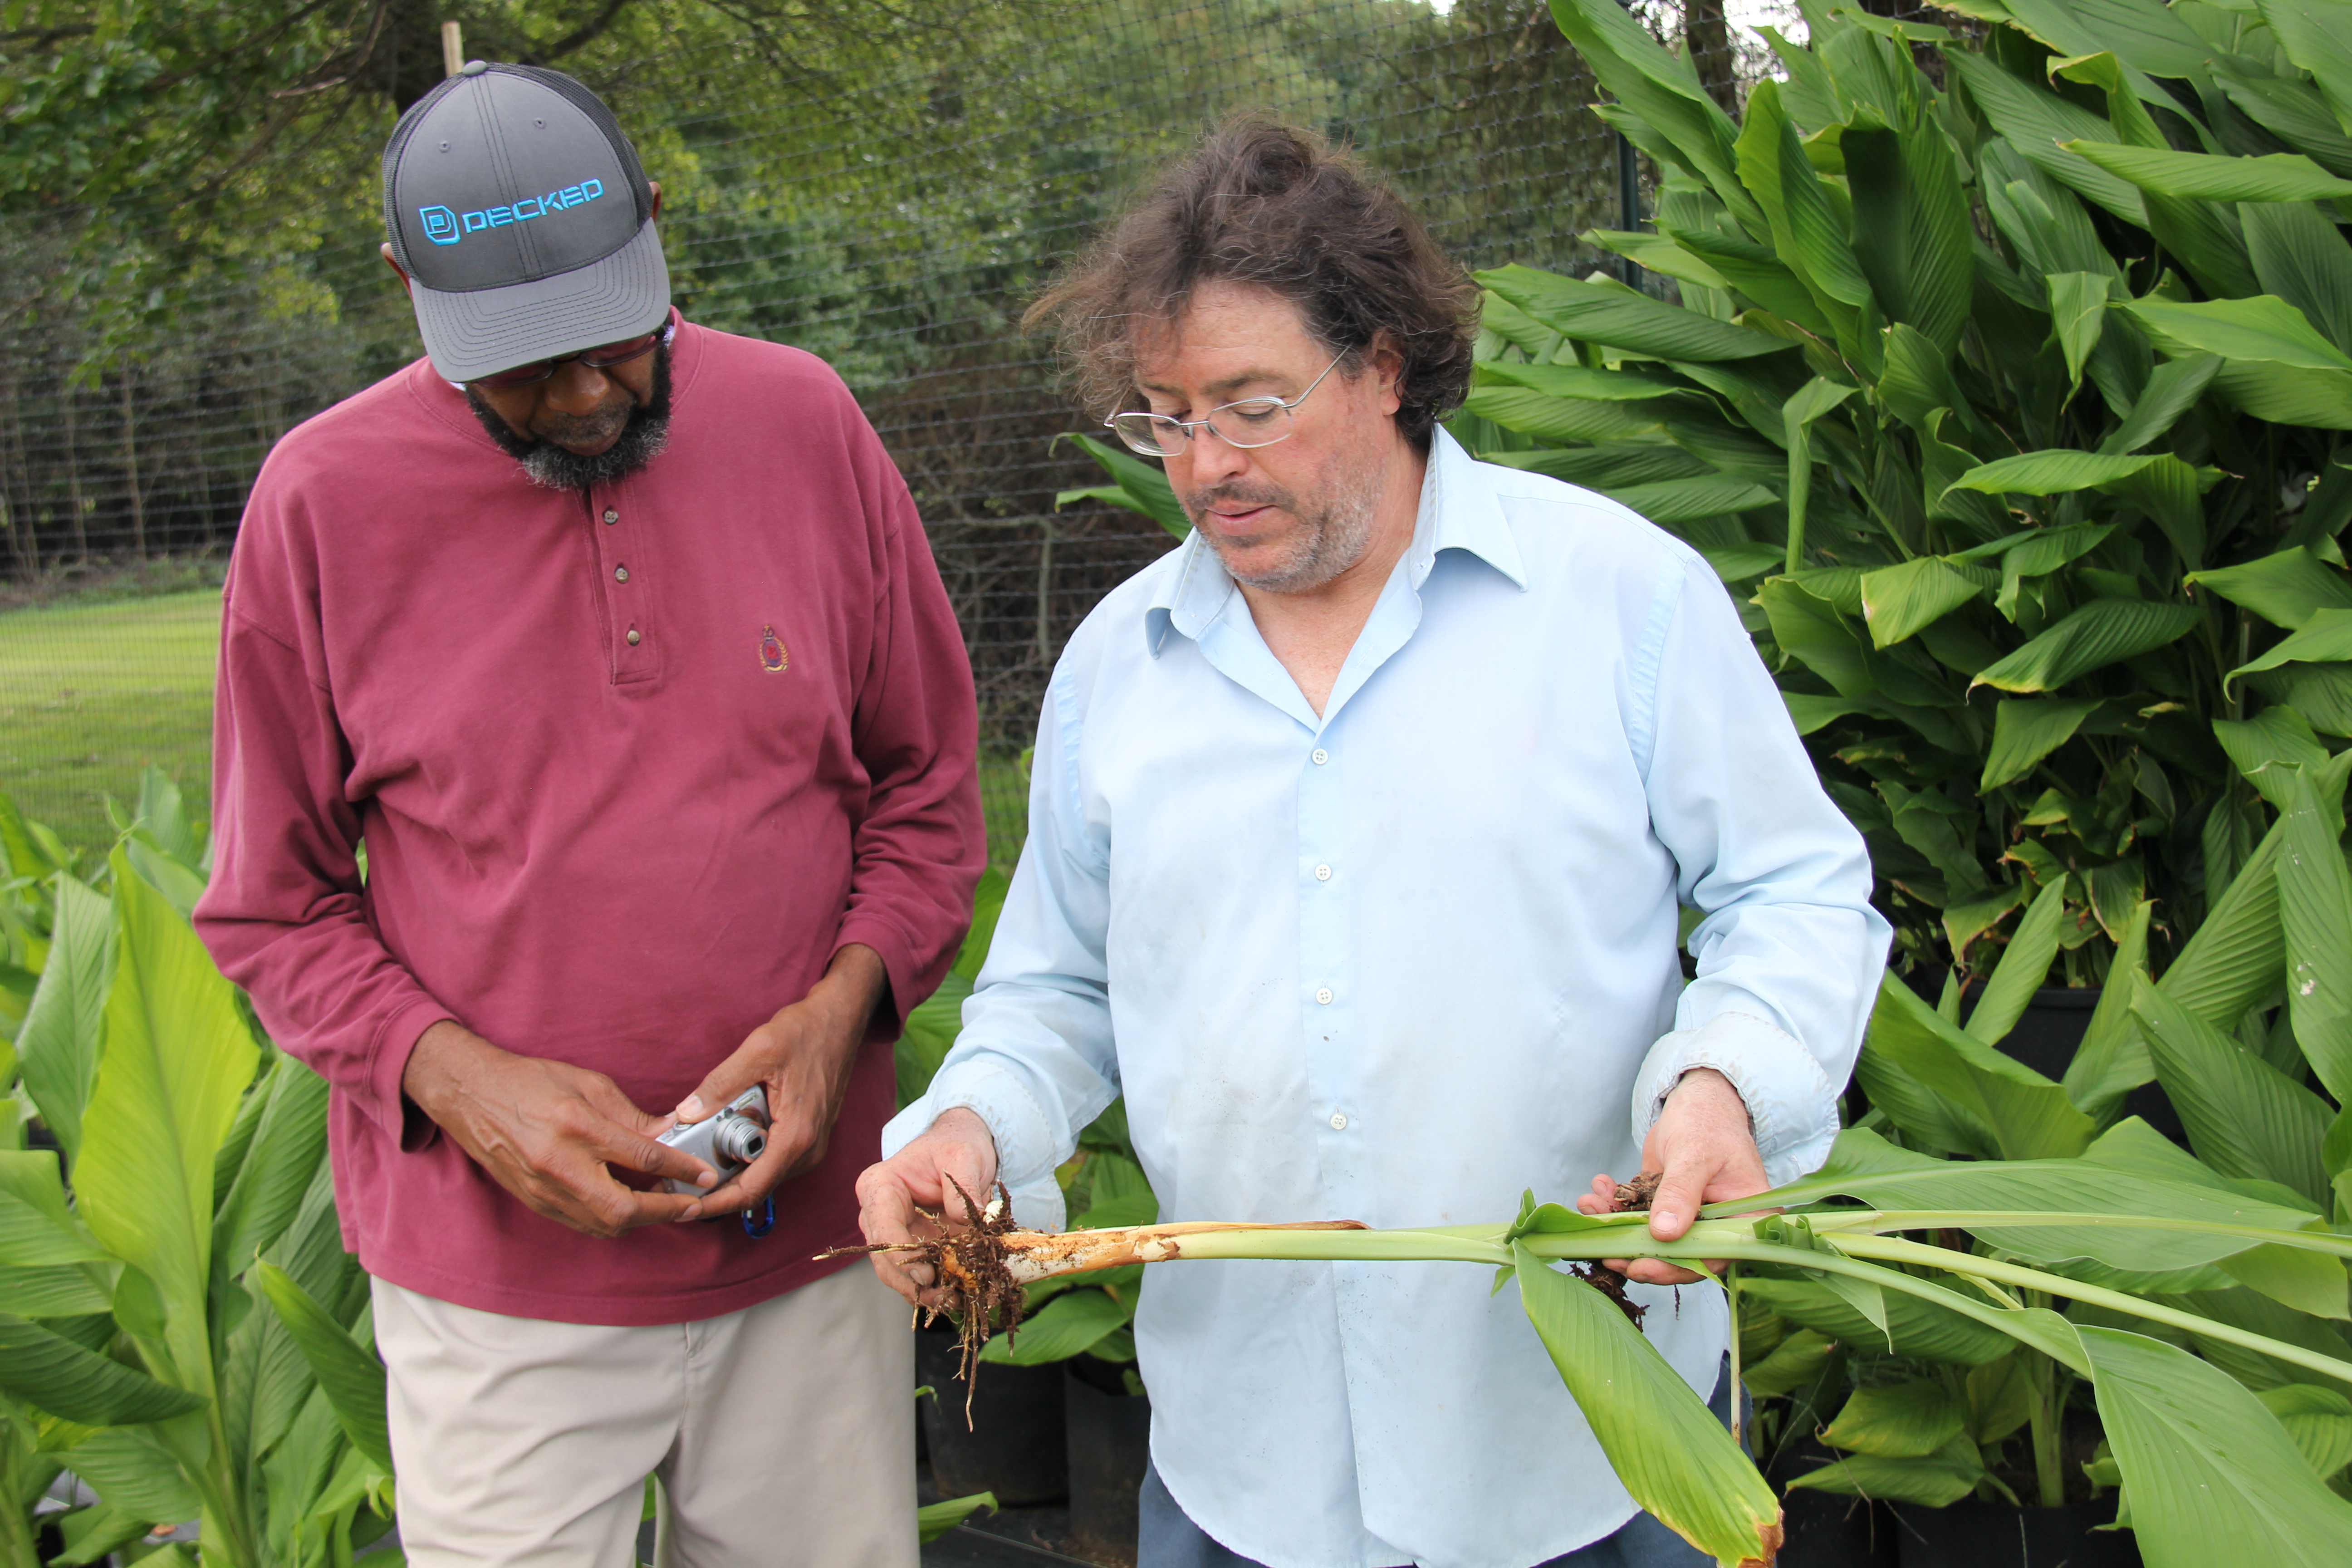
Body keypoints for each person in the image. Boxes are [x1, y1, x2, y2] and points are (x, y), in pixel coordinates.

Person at [856, 119, 1888, 1568]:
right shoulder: (1119, 669)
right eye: (1164, 415)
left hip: (1591, 1439)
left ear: (1387, 365)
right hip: (1241, 1462)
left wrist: (1725, 1087)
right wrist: (969, 1134)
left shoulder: (1619, 602)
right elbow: (1053, 993)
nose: (1204, 463)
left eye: (1253, 405)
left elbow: (1793, 886)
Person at [193, 60, 983, 1568]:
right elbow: (271, 903)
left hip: (810, 1252)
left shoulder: (806, 424)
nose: (579, 395)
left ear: (657, 228)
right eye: (519, 364)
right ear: (403, 290)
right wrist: (451, 1075)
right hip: (499, 1298)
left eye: (608, 342)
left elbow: (930, 794)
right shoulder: (321, 500)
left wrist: (842, 1013)